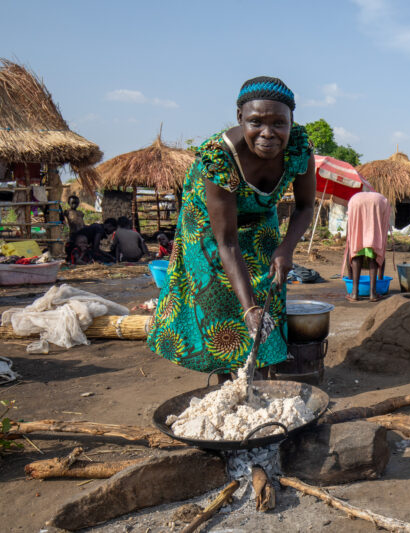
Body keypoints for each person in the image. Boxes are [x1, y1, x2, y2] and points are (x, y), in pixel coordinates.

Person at [146, 76, 315, 377]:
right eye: (256, 122)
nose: (268, 133)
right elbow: (227, 243)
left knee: (268, 287)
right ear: (240, 118)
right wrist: (248, 309)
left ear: (292, 121)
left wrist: (286, 248)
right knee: (222, 297)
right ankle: (229, 381)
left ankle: (262, 374)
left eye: (279, 123)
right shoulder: (219, 157)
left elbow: (304, 206)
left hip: (261, 216)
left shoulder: (299, 148)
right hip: (208, 225)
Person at [342, 192, 390, 302]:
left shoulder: (354, 199)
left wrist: (350, 238)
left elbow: (350, 221)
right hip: (374, 222)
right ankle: (373, 293)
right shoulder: (382, 201)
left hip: (356, 205)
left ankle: (354, 293)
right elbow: (384, 222)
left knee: (356, 255)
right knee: (373, 256)